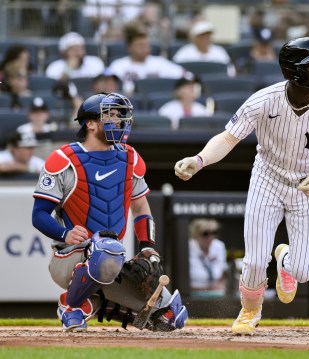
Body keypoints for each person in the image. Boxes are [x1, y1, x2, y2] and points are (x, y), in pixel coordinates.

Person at [174, 37, 309, 335]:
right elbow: (229, 138)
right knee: (255, 261)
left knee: (305, 272)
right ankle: (250, 310)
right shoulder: (263, 100)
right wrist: (200, 159)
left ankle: (285, 259)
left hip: (307, 185)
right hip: (267, 179)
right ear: (294, 71)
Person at [31, 92, 187, 331]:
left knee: (172, 316)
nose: (118, 121)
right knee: (107, 249)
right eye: (110, 116)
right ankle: (72, 305)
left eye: (120, 116)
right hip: (70, 256)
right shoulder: (64, 159)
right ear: (90, 123)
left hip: (112, 260)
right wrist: (65, 234)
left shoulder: (130, 157)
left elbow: (141, 207)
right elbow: (39, 214)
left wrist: (147, 246)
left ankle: (92, 302)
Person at [108, 26, 189, 96]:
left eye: (147, 45)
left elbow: (187, 76)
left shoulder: (159, 62)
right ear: (129, 47)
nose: (145, 48)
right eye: (140, 45)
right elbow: (107, 87)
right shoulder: (118, 65)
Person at [188, 218, 228, 297]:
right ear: (195, 235)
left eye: (214, 233)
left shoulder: (219, 246)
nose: (210, 237)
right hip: (192, 296)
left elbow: (223, 273)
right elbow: (181, 285)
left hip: (216, 295)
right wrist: (207, 288)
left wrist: (222, 285)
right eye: (205, 234)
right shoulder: (187, 248)